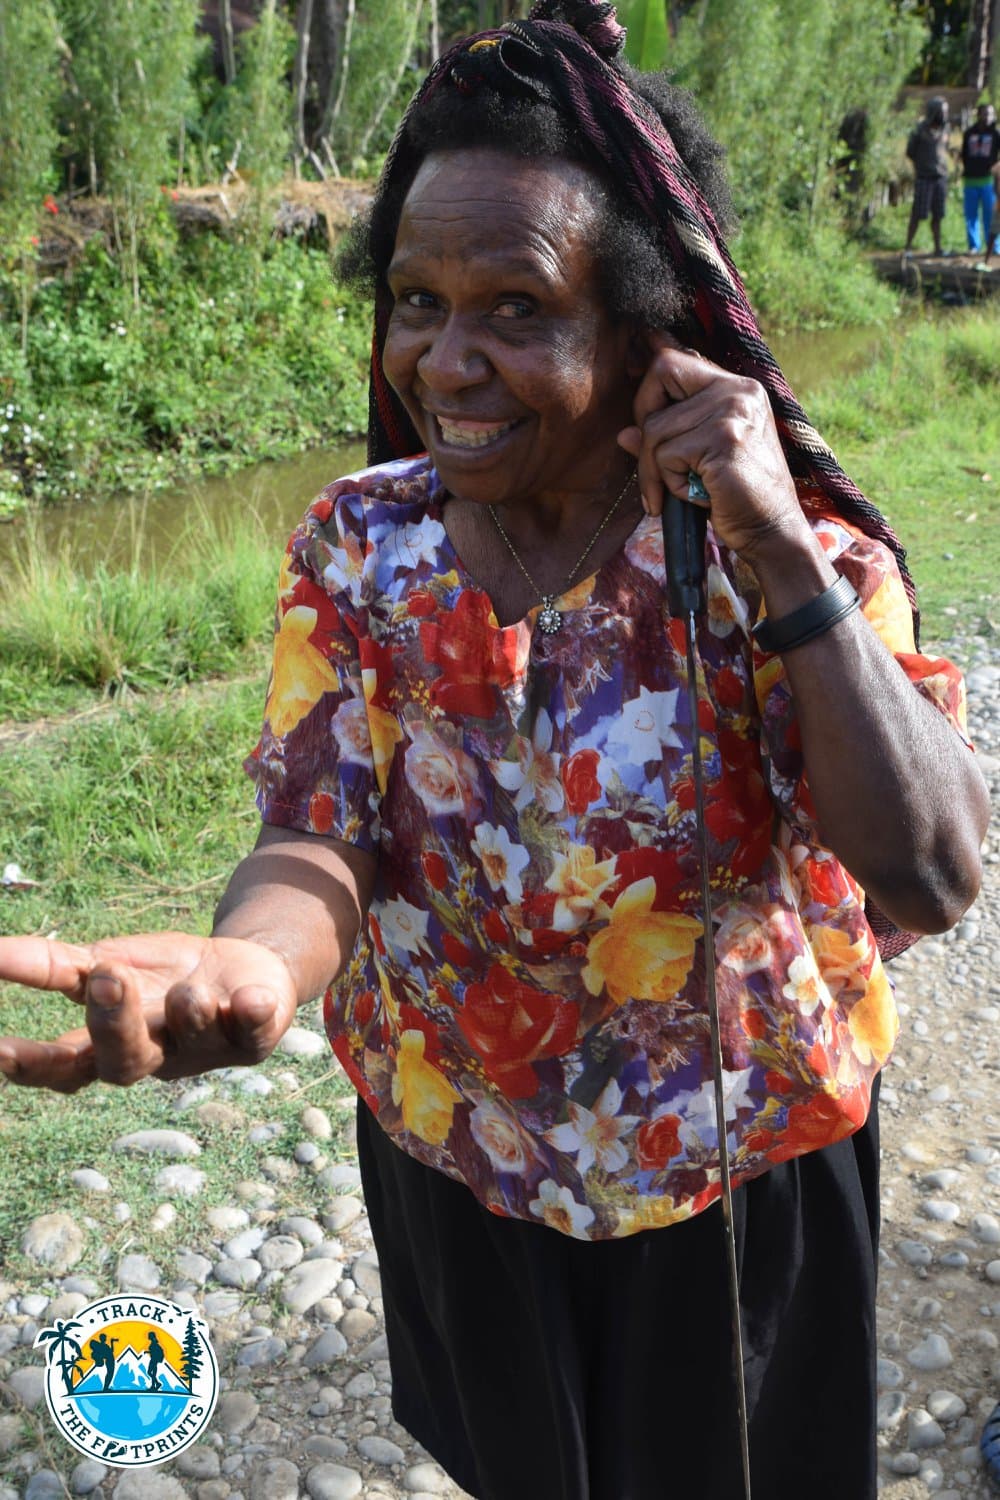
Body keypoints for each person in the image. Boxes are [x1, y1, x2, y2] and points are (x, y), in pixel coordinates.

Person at [0, 5, 989, 1497]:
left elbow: (930, 873)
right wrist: (256, 962)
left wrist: (780, 548)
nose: (444, 361)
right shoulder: (362, 545)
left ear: (648, 333)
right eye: (415, 300)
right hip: (457, 1154)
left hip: (731, 1179)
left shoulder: (788, 566)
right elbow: (319, 831)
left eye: (517, 308)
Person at [904, 95, 951, 256]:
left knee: (938, 215)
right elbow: (910, 152)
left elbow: (946, 148)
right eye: (943, 112)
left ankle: (938, 248)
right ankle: (908, 247)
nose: (945, 115)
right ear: (934, 112)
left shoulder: (946, 129)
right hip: (924, 177)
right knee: (917, 214)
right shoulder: (920, 130)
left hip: (940, 177)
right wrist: (923, 164)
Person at [961, 102, 1000, 255]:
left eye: (990, 114)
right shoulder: (969, 133)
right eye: (985, 114)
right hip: (970, 180)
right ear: (978, 115)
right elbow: (964, 155)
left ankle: (994, 247)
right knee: (971, 216)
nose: (988, 117)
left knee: (991, 216)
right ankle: (974, 246)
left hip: (989, 181)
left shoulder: (996, 134)